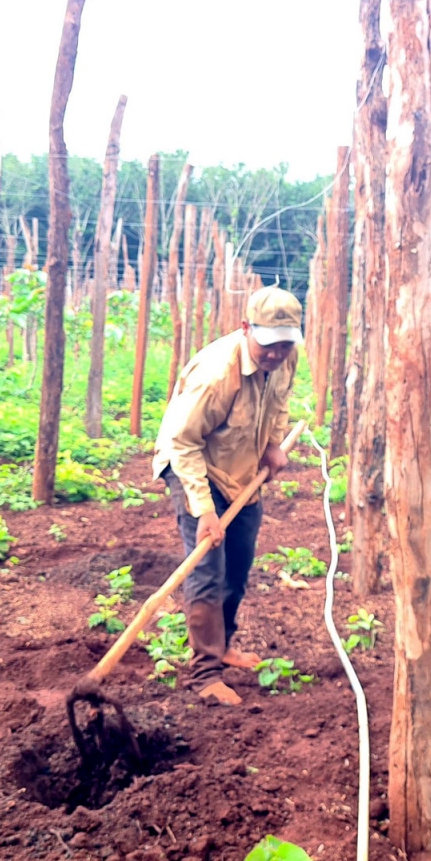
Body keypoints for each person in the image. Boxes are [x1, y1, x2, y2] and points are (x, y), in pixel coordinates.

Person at [151, 285, 302, 705]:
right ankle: (205, 675)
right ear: (245, 329)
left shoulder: (286, 359)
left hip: (239, 468)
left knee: (238, 564)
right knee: (207, 570)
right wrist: (203, 511)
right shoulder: (216, 374)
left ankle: (225, 644)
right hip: (191, 468)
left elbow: (280, 401)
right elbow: (182, 443)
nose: (276, 353)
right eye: (268, 344)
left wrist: (273, 443)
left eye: (285, 344)